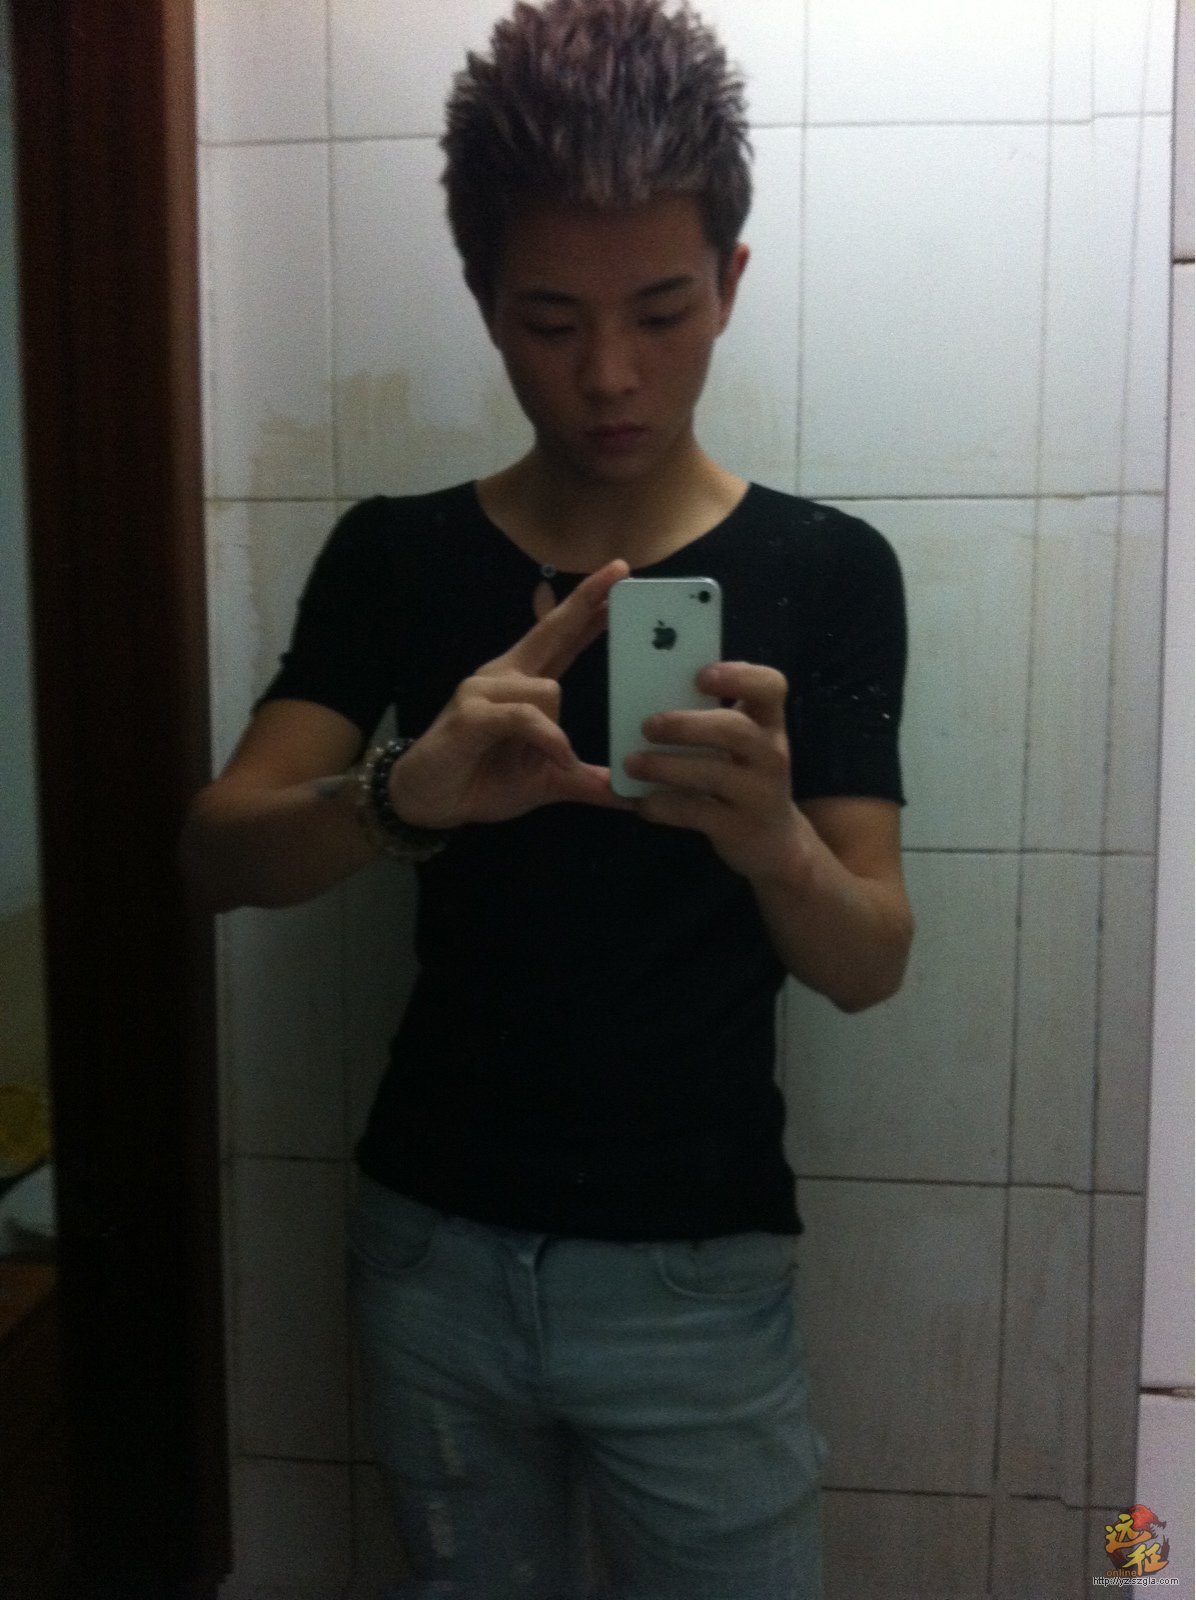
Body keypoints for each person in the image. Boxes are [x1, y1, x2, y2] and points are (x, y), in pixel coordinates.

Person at [182, 1, 913, 1594]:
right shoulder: (395, 554)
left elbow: (869, 959)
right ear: (482, 302)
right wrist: (405, 795)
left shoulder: (827, 570)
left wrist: (775, 842)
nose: (609, 376)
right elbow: (216, 852)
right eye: (549, 320)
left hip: (700, 1277)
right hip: (434, 1256)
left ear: (730, 278)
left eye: (661, 309)